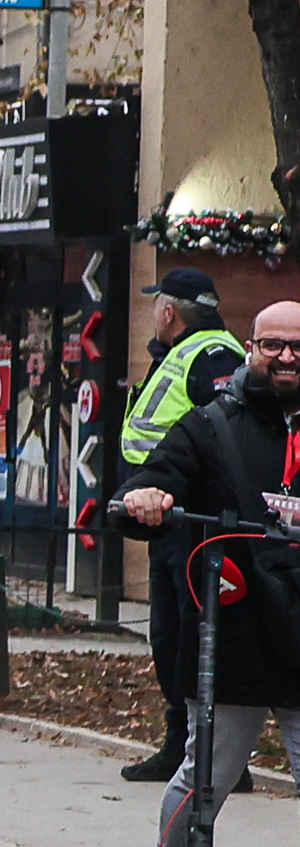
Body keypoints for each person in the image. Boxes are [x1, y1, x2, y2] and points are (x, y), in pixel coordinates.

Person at [113, 298, 300, 847]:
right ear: (251, 348)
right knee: (208, 777)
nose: (285, 357)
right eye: (272, 344)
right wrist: (144, 497)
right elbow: (155, 477)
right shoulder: (209, 426)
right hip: (235, 632)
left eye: (297, 346)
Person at [119, 268, 246, 783]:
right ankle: (190, 745)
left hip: (190, 521)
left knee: (190, 636)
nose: (153, 313)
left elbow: (221, 440)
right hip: (162, 515)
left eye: (156, 306)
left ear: (169, 310)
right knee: (170, 634)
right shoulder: (184, 352)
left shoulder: (213, 354)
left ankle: (203, 751)